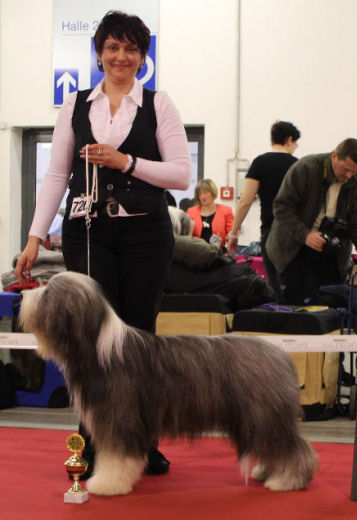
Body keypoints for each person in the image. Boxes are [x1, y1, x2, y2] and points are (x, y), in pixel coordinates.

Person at [14, 11, 191, 477]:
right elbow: (56, 175)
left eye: (131, 48)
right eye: (113, 47)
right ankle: (93, 438)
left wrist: (124, 161)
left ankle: (143, 441)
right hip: (87, 232)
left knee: (139, 337)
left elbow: (180, 173)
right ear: (98, 54)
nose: (121, 56)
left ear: (143, 57)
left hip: (145, 234)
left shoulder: (158, 103)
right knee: (90, 336)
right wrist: (34, 237)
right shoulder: (75, 105)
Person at [266, 138, 357, 305]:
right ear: (334, 156)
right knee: (294, 305)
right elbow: (282, 208)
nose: (349, 176)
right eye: (346, 169)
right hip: (292, 248)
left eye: (354, 171)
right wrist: (305, 235)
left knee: (329, 304)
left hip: (330, 252)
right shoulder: (305, 168)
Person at [226, 121, 300, 300]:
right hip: (294, 234)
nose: (295, 147)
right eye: (295, 143)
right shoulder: (298, 166)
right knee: (294, 289)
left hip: (270, 232)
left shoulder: (260, 163)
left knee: (274, 288)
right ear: (289, 140)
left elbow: (245, 202)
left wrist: (234, 233)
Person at [187, 179, 234, 248]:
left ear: (213, 193)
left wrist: (228, 239)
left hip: (218, 251)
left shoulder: (226, 211)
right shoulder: (191, 211)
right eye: (200, 194)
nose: (202, 197)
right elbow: (187, 236)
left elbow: (232, 234)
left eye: (205, 193)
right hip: (197, 251)